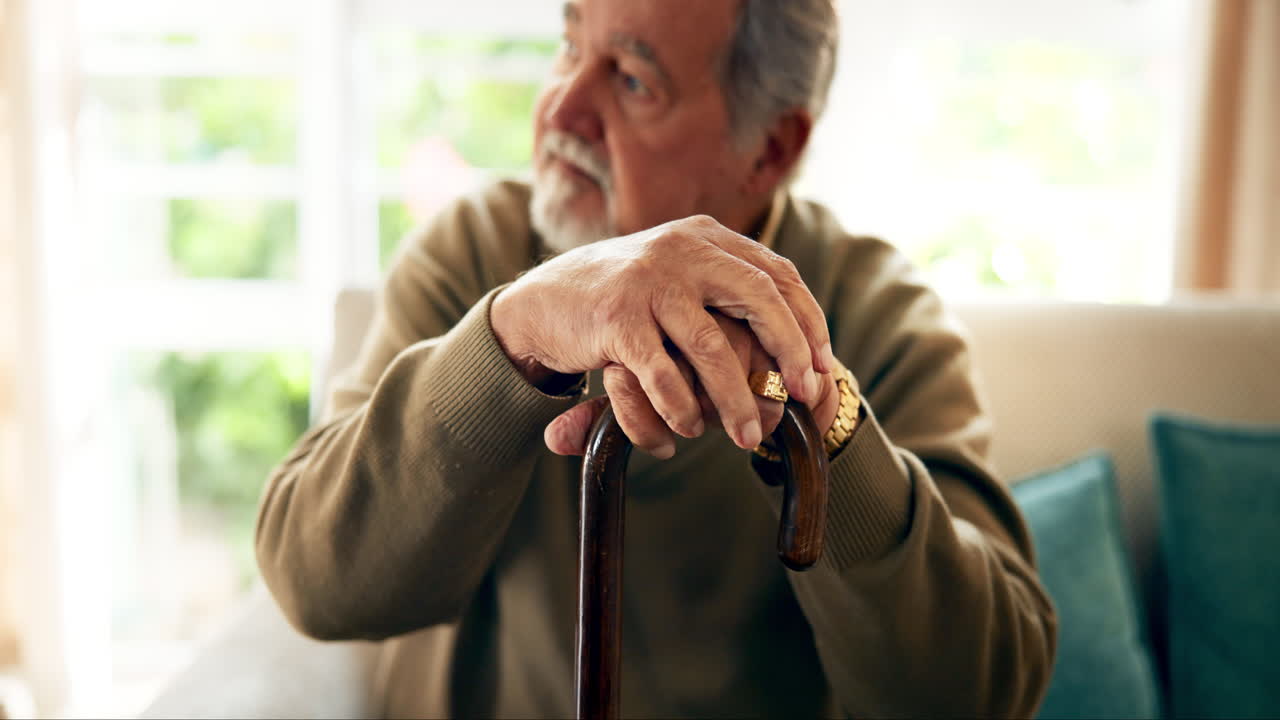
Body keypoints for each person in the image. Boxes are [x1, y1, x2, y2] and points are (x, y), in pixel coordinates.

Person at [255, 0, 1057, 716]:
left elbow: (985, 689)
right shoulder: (476, 253)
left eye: (633, 80)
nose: (563, 108)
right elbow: (317, 582)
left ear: (770, 149)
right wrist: (516, 338)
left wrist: (806, 400)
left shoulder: (877, 310)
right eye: (571, 43)